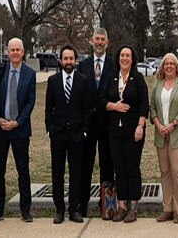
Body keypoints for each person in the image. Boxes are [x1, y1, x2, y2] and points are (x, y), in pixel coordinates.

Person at [0, 38, 36, 223]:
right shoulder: (0, 71)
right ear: (8, 52)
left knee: (23, 170)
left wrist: (17, 122)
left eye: (18, 50)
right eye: (12, 50)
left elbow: (31, 102)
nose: (15, 53)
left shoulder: (30, 74)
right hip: (0, 129)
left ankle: (25, 210)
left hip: (20, 130)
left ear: (23, 52)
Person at [45, 45, 94, 224]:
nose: (68, 62)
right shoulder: (53, 81)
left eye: (71, 59)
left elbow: (88, 109)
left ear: (75, 60)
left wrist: (85, 131)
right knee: (57, 172)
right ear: (60, 61)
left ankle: (74, 209)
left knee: (76, 173)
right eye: (65, 59)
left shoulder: (84, 81)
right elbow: (48, 108)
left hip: (76, 134)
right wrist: (49, 128)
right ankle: (59, 209)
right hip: (58, 134)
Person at [101, 45, 149, 223]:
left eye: (128, 55)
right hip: (115, 131)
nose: (125, 58)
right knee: (119, 168)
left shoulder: (138, 78)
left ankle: (133, 208)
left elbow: (144, 103)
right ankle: (121, 206)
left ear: (132, 59)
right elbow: (101, 100)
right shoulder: (111, 78)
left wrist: (140, 126)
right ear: (118, 58)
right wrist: (114, 106)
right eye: (122, 55)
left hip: (133, 131)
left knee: (132, 168)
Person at [150, 53, 178, 224]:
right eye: (166, 63)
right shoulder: (157, 84)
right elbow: (152, 107)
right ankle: (167, 209)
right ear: (162, 67)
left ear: (176, 66)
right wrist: (159, 125)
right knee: (165, 172)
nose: (168, 66)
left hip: (177, 134)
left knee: (176, 171)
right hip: (161, 134)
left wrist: (172, 125)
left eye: (172, 63)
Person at [77, 28, 114, 217]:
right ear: (91, 41)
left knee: (107, 164)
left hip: (107, 123)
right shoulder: (82, 65)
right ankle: (82, 205)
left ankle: (106, 205)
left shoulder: (113, 64)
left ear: (107, 43)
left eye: (103, 40)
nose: (99, 42)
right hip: (88, 123)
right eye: (97, 39)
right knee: (86, 164)